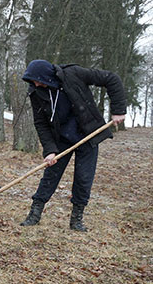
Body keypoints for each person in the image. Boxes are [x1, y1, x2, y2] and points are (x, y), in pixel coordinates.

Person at [19, 59, 126, 231]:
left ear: (47, 76)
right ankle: (34, 214)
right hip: (60, 138)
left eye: (38, 79)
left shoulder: (73, 74)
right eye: (32, 81)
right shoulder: (36, 92)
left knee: (84, 178)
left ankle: (76, 219)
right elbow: (40, 123)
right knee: (50, 176)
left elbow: (111, 78)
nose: (36, 84)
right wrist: (49, 150)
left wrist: (119, 110)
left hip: (88, 134)